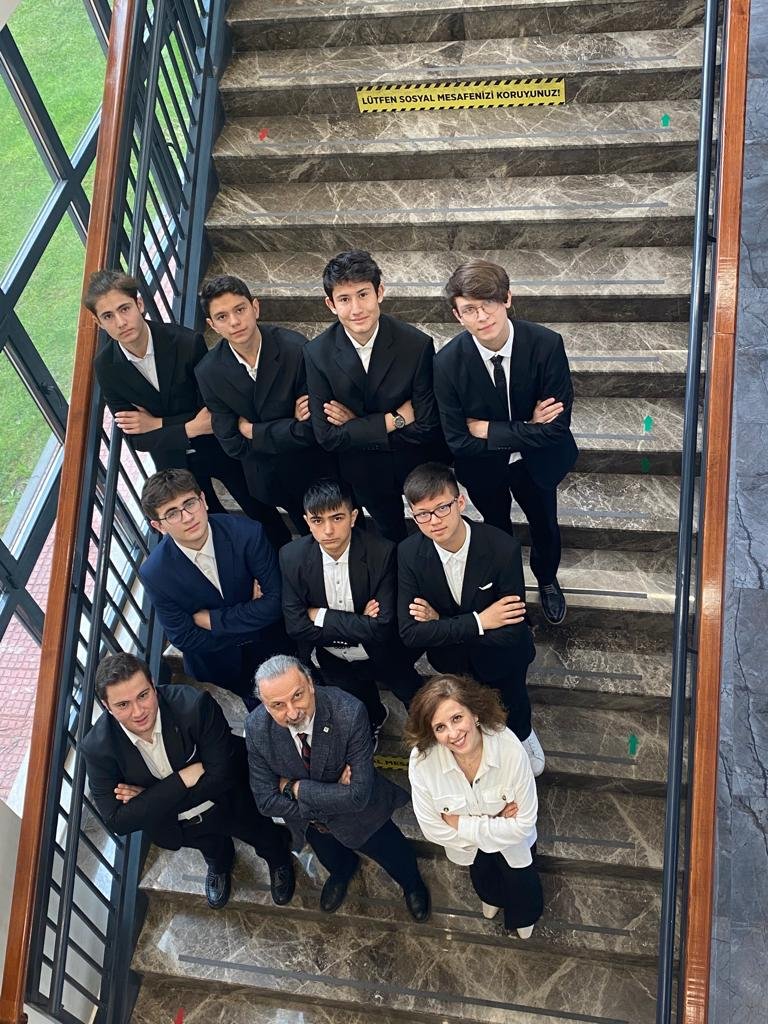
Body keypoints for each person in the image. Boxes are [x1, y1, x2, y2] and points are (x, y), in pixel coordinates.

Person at [82, 653, 295, 910]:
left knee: (262, 834)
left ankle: (278, 860)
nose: (138, 712)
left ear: (153, 685)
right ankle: (220, 864)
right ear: (107, 706)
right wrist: (182, 780)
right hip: (178, 826)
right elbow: (118, 821)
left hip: (227, 800)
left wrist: (148, 800)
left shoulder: (194, 706)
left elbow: (222, 776)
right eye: (123, 705)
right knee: (211, 849)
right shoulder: (98, 748)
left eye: (143, 695)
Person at [434, 259, 579, 625]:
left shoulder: (546, 345)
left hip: (537, 463)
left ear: (507, 299)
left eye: (489, 303)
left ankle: (547, 580)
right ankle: (509, 590)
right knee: (496, 529)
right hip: (484, 468)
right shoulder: (447, 363)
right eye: (470, 309)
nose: (482, 316)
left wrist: (488, 429)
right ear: (458, 316)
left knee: (545, 525)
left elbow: (555, 430)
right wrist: (528, 427)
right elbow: (457, 442)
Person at [246, 654, 431, 921]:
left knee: (395, 857)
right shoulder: (256, 728)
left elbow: (357, 796)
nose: (292, 712)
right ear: (264, 704)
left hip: (363, 819)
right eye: (277, 705)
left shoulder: (349, 712)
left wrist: (294, 788)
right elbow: (265, 801)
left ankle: (412, 885)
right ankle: (342, 872)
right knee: (332, 859)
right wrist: (335, 791)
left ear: (310, 683)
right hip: (309, 824)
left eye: (297, 695)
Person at [85, 269, 270, 525]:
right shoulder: (105, 366)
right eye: (108, 316)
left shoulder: (186, 342)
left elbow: (211, 413)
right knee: (207, 523)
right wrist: (189, 426)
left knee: (260, 508)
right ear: (98, 322)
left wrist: (155, 424)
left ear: (139, 304)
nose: (120, 322)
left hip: (219, 446)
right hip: (171, 459)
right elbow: (137, 438)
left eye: (124, 309)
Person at [398, 462, 544, 776]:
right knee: (468, 710)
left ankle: (523, 734)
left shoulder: (502, 548)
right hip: (453, 661)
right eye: (422, 514)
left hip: (503, 657)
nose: (434, 521)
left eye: (442, 508)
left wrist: (440, 622)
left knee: (514, 704)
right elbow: (410, 633)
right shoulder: (408, 554)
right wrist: (480, 621)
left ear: (460, 502)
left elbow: (511, 631)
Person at [304, 250, 448, 542]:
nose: (356, 308)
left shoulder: (416, 344)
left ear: (379, 292)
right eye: (344, 299)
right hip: (364, 470)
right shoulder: (316, 353)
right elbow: (327, 437)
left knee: (433, 531)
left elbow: (427, 425)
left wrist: (355, 425)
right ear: (331, 304)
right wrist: (394, 420)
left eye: (363, 294)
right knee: (389, 536)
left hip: (414, 461)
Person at [195, 274, 333, 549]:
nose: (234, 322)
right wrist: (288, 423)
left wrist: (252, 430)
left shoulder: (295, 348)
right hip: (270, 477)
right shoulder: (208, 371)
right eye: (222, 317)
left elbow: (311, 427)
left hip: (315, 467)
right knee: (303, 539)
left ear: (255, 308)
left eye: (240, 310)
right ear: (212, 325)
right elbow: (231, 442)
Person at [279, 479, 423, 737]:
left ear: (353, 517)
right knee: (358, 705)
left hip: (383, 651)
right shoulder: (291, 556)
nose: (328, 530)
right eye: (317, 520)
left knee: (414, 697)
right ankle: (375, 721)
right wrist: (360, 622)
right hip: (333, 657)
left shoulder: (382, 552)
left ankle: (428, 733)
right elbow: (296, 625)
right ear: (307, 521)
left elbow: (381, 626)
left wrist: (319, 615)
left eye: (337, 518)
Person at [406, 673, 543, 938]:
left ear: (475, 713)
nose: (453, 734)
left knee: (521, 879)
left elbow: (524, 823)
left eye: (457, 718)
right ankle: (492, 898)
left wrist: (460, 822)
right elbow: (432, 830)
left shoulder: (509, 749)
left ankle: (524, 916)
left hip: (508, 843)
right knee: (483, 876)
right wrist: (496, 822)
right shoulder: (422, 762)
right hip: (467, 847)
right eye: (440, 727)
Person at [139, 468, 285, 709]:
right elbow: (184, 637)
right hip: (221, 664)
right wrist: (250, 612)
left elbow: (276, 602)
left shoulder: (247, 533)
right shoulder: (155, 573)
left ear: (203, 500)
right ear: (158, 526)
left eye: (190, 503)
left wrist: (212, 620)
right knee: (256, 707)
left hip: (272, 644)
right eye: (172, 513)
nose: (187, 517)